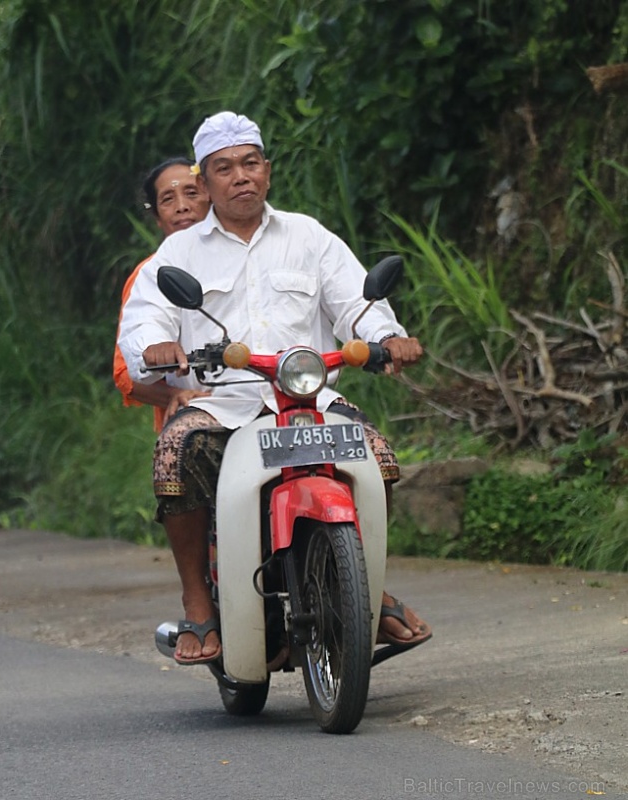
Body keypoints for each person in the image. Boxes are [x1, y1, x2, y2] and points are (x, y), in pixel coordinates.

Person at [118, 114, 432, 664]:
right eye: (224, 168)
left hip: (310, 402)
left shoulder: (309, 236)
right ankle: (198, 602)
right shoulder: (178, 255)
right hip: (222, 407)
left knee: (378, 458)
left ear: (267, 170)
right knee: (176, 453)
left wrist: (388, 337)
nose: (240, 177)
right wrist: (157, 347)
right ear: (206, 181)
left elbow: (357, 302)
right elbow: (144, 321)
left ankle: (366, 583)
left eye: (250, 163)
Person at [113, 157, 212, 427]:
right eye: (168, 199)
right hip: (195, 424)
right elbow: (126, 374)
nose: (182, 207)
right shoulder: (149, 275)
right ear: (157, 217)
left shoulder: (245, 254)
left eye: (191, 193)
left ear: (211, 198)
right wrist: (180, 395)